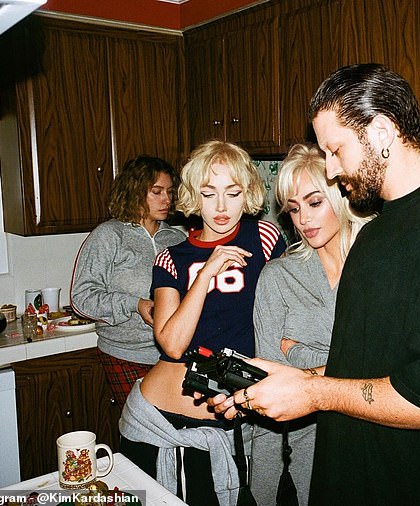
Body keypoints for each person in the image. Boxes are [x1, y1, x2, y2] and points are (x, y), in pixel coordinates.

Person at [211, 63, 420, 505]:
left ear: (381, 132)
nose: (329, 167)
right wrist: (290, 380)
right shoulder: (377, 233)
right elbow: (376, 368)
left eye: (336, 149)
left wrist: (313, 392)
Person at [118, 140, 286, 506]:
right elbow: (173, 344)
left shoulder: (264, 238)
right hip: (153, 421)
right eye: (209, 194)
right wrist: (207, 271)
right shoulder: (172, 257)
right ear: (194, 196)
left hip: (227, 423)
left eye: (233, 192)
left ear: (249, 193)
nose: (222, 207)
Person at [251, 143, 370, 505]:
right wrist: (263, 493)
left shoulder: (377, 263)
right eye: (293, 208)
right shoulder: (277, 278)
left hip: (380, 437)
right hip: (313, 452)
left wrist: (301, 354)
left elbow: (394, 366)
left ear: (342, 194)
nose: (303, 219)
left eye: (314, 202)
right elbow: (267, 390)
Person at [70, 155, 186, 409]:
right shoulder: (109, 235)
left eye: (169, 192)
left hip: (173, 355)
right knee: (143, 431)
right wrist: (135, 304)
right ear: (134, 192)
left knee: (174, 435)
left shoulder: (177, 239)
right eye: (156, 192)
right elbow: (82, 298)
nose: (167, 199)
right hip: (125, 355)